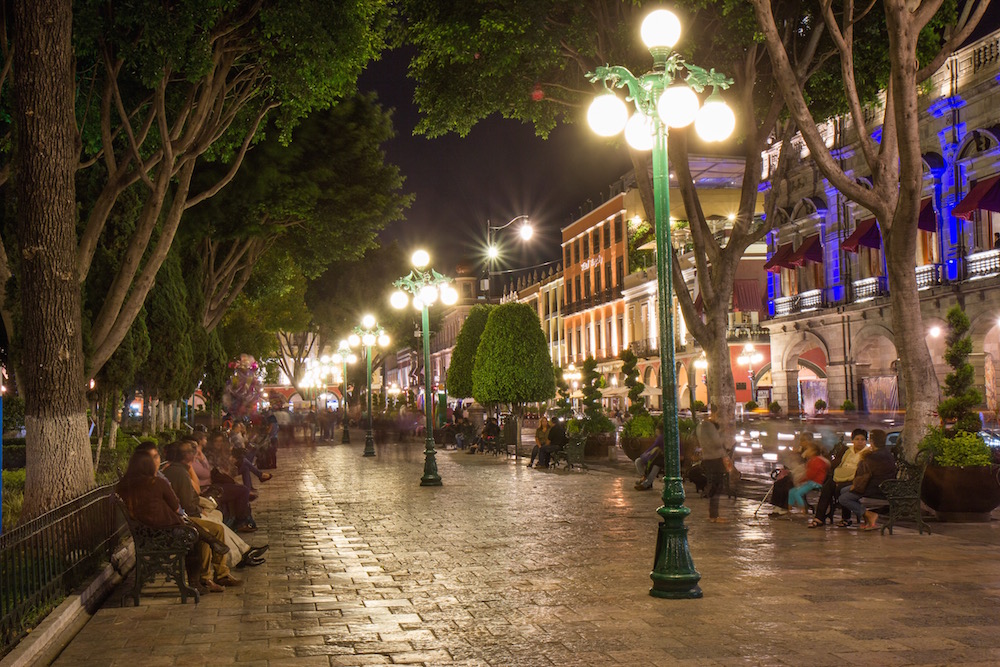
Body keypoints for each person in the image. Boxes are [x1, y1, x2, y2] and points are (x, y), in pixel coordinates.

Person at [118, 448, 235, 593]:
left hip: (146, 533)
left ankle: (211, 551)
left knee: (198, 530)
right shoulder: (156, 483)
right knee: (195, 536)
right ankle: (199, 579)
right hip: (166, 531)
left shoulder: (124, 485)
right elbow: (176, 505)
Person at [838, 428, 897, 530]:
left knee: (844, 498)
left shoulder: (873, 456)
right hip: (883, 486)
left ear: (872, 441)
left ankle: (869, 515)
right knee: (843, 490)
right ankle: (867, 516)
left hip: (875, 489)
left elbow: (863, 477)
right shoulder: (886, 453)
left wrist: (854, 487)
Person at [814, 428, 868, 527]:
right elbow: (838, 463)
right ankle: (819, 517)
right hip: (840, 476)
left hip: (855, 478)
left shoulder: (867, 453)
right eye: (857, 439)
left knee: (841, 489)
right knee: (827, 487)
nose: (860, 442)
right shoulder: (847, 451)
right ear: (852, 440)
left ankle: (846, 518)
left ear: (866, 441)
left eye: (862, 439)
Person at [696, 413, 729, 522]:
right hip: (715, 459)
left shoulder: (700, 427)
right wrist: (722, 435)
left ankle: (713, 514)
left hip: (707, 458)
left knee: (713, 484)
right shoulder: (709, 427)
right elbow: (717, 443)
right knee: (717, 485)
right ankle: (714, 515)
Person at [789, 437, 831, 521]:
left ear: (813, 452)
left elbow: (811, 474)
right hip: (811, 481)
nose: (806, 451)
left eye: (808, 450)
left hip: (815, 482)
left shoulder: (817, 461)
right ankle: (789, 509)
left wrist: (802, 480)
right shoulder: (812, 460)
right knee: (792, 491)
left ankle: (803, 510)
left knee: (797, 493)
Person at [634, 424, 664, 490]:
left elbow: (652, 448)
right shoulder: (661, 437)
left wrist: (644, 455)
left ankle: (646, 483)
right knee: (641, 462)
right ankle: (644, 478)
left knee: (655, 466)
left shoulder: (661, 438)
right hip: (656, 458)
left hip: (660, 459)